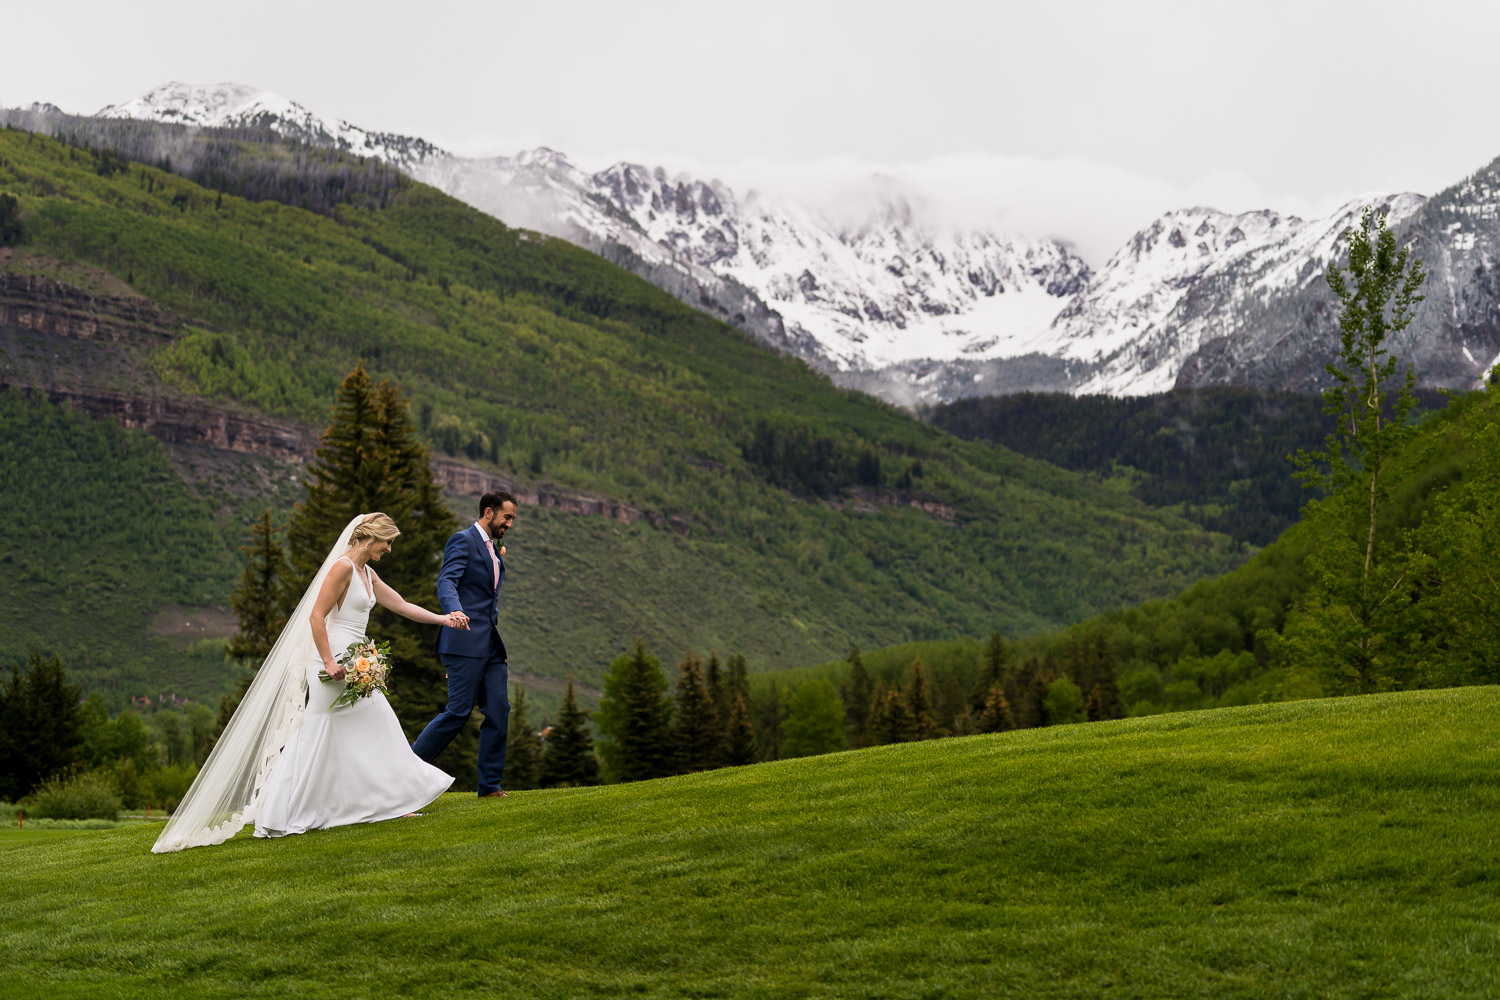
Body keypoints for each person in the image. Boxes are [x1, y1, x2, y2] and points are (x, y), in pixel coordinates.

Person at [152, 513, 468, 853]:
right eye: (387, 542)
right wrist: (330, 661)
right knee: (323, 728)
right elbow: (316, 616)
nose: (389, 549)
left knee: (369, 725)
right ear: (371, 538)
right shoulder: (342, 568)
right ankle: (282, 813)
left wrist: (443, 619)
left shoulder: (368, 573)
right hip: (330, 660)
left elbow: (402, 606)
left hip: (356, 660)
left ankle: (385, 801)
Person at [411, 490, 517, 797]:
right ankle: (403, 771)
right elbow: (447, 580)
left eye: (512, 518)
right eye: (506, 517)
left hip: (491, 646)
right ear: (488, 513)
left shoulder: (495, 551)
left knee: (499, 710)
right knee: (457, 712)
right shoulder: (463, 540)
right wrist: (453, 609)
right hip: (462, 642)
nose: (509, 524)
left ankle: (489, 785)